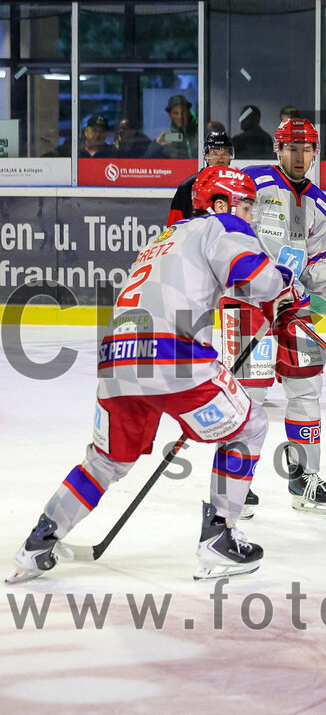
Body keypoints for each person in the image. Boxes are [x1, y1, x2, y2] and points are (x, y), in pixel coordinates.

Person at [6, 167, 294, 583]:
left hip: (115, 358)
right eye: (245, 204)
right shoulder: (222, 224)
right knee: (248, 426)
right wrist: (284, 284)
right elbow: (257, 279)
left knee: (105, 461)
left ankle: (38, 542)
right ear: (219, 204)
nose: (249, 213)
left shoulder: (162, 240)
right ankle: (219, 539)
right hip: (174, 357)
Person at [235, 118, 326, 515]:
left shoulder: (321, 203)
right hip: (247, 306)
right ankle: (236, 483)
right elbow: (224, 235)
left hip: (292, 307)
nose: (299, 155)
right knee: (251, 392)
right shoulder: (252, 182)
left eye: (306, 148)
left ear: (315, 152)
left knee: (307, 390)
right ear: (277, 149)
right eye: (291, 148)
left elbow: (315, 264)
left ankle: (303, 479)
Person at [167, 130, 235, 225]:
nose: (220, 158)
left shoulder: (237, 184)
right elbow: (174, 226)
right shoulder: (188, 186)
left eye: (224, 153)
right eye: (214, 153)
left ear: (230, 156)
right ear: (206, 155)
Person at [147, 94, 199, 159]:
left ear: (188, 112)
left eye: (183, 112)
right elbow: (148, 158)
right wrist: (157, 143)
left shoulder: (200, 132)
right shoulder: (170, 137)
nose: (180, 117)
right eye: (175, 113)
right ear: (170, 115)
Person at [46, 114, 113, 158]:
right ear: (86, 132)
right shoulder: (71, 148)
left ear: (106, 134)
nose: (98, 135)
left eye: (101, 131)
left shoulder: (111, 152)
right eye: (94, 131)